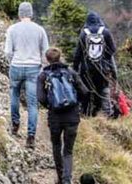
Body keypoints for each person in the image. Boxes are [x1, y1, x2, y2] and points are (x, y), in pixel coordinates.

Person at [37, 48, 89, 184]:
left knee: (56, 145)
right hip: (72, 116)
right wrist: (78, 105)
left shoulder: (43, 76)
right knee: (68, 151)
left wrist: (51, 104)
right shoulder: (70, 72)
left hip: (55, 117)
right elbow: (84, 91)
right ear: (60, 57)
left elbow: (41, 98)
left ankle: (60, 178)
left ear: (47, 59)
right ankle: (67, 180)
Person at [5, 1, 49, 149]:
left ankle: (15, 124)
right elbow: (46, 52)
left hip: (16, 66)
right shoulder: (40, 30)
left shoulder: (12, 29)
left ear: (19, 14)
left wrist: (13, 61)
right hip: (33, 68)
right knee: (32, 104)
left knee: (14, 95)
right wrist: (42, 67)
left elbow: (7, 52)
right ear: (31, 14)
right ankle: (31, 136)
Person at [73, 12, 117, 118]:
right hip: (103, 69)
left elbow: (78, 54)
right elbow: (113, 50)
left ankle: (86, 114)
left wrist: (75, 69)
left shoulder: (84, 33)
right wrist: (105, 59)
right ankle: (106, 113)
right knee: (103, 91)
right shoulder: (105, 32)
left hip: (86, 70)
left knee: (87, 91)